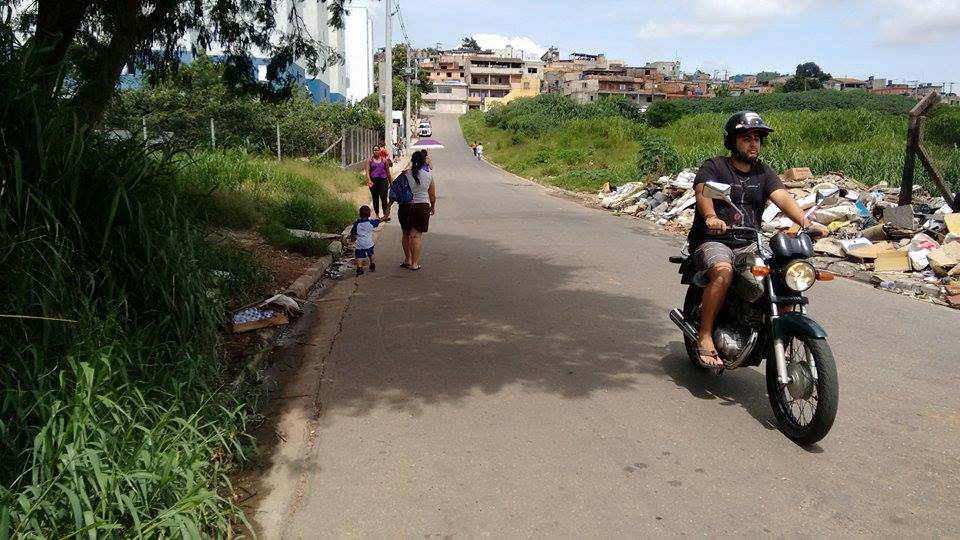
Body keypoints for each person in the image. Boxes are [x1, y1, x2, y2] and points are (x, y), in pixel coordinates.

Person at [688, 111, 828, 369]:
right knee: (723, 273)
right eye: (746, 138)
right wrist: (710, 216)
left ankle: (770, 327)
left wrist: (808, 223)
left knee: (781, 274)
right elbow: (703, 191)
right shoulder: (715, 166)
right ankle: (705, 334)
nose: (754, 144)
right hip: (714, 239)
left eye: (757, 139)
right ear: (732, 141)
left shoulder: (763, 172)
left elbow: (783, 198)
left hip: (750, 240)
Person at [398, 150, 436, 271]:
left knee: (406, 233)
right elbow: (432, 195)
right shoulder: (428, 176)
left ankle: (407, 259)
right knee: (416, 236)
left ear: (412, 161)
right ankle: (415, 263)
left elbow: (397, 191)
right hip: (421, 207)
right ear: (424, 161)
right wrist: (433, 206)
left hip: (405, 207)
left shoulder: (404, 174)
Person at [350, 205, 380, 275]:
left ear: (360, 214)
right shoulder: (371, 222)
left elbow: (353, 233)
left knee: (359, 256)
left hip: (360, 243)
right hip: (369, 243)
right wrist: (385, 217)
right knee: (370, 254)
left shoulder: (357, 224)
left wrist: (352, 239)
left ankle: (360, 269)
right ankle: (372, 264)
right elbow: (378, 221)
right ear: (369, 214)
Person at [365, 145, 391, 221]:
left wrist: (391, 183)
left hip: (383, 181)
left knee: (384, 198)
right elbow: (367, 171)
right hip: (373, 181)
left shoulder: (384, 160)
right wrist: (369, 180)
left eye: (377, 150)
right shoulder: (369, 160)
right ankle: (377, 215)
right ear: (372, 151)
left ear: (380, 151)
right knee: (375, 198)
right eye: (374, 150)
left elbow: (388, 173)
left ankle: (385, 215)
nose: (376, 151)